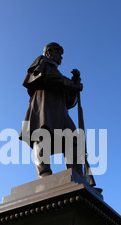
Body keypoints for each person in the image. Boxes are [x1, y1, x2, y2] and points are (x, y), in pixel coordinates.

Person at [19, 43, 84, 178]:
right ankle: (44, 174)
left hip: (60, 110)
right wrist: (73, 84)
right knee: (42, 135)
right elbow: (50, 77)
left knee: (73, 140)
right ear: (49, 52)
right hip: (44, 106)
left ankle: (77, 176)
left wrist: (74, 83)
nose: (61, 58)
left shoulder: (56, 71)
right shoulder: (42, 62)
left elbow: (69, 101)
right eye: (59, 54)